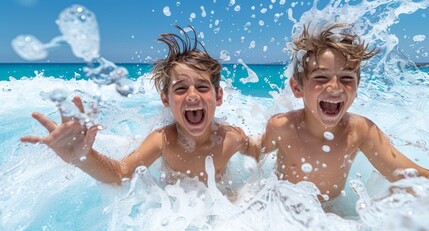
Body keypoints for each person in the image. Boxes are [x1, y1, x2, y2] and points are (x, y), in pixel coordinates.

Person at [20, 26, 259, 187]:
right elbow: (121, 173)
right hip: (179, 212)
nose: (192, 95)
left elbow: (258, 152)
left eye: (203, 87)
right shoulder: (163, 141)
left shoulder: (232, 137)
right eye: (180, 88)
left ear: (218, 96)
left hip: (226, 203)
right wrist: (82, 157)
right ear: (165, 100)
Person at [260, 23, 429, 202]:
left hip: (331, 218)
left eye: (347, 78)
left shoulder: (361, 131)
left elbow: (411, 178)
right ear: (297, 87)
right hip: (279, 212)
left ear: (357, 87)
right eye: (321, 77)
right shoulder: (282, 126)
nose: (335, 87)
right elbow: (252, 158)